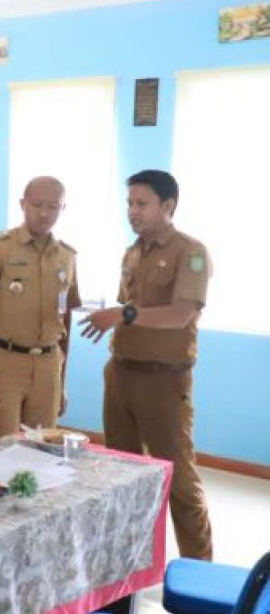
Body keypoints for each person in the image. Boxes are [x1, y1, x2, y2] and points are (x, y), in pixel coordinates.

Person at [79, 169, 213, 560]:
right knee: (122, 475)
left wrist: (123, 314)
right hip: (121, 374)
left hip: (163, 382)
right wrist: (121, 317)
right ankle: (127, 567)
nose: (132, 212)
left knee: (180, 483)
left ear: (167, 206)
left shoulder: (190, 252)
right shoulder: (133, 252)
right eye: (129, 204)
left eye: (141, 204)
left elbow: (182, 315)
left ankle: (199, 574)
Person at [0, 176, 80, 438]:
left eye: (53, 207)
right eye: (37, 204)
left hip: (48, 364)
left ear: (62, 209)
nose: (44, 213)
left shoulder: (66, 256)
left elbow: (65, 319)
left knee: (42, 450)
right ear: (22, 204)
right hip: (4, 362)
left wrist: (62, 379)